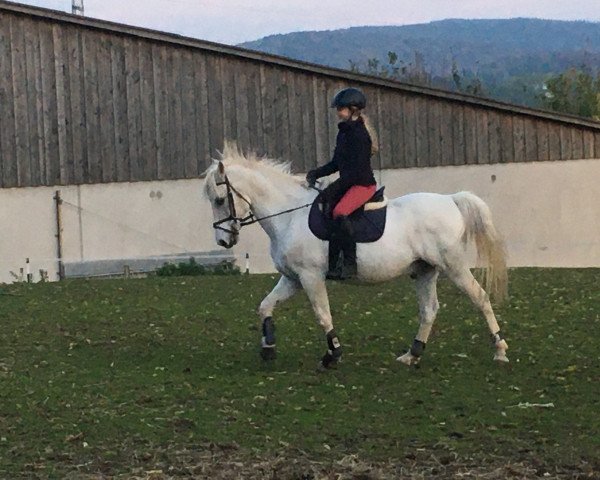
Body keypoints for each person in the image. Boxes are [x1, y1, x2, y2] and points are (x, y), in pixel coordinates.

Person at [306, 87, 379, 280]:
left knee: (340, 212)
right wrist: (316, 173)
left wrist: (335, 187)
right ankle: (333, 264)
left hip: (363, 184)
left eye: (341, 108)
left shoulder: (360, 135)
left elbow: (357, 170)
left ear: (353, 109)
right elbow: (337, 163)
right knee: (328, 208)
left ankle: (349, 263)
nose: (338, 112)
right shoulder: (344, 133)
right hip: (349, 182)